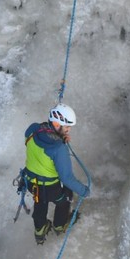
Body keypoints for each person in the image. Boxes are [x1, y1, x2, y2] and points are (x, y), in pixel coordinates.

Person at [23, 103, 90, 244]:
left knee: (39, 202)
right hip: (50, 189)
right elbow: (67, 178)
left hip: (31, 182)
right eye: (66, 127)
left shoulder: (32, 130)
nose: (69, 130)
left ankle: (40, 230)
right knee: (65, 199)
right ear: (55, 123)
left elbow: (41, 137)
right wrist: (84, 191)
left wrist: (58, 137)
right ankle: (60, 225)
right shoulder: (59, 149)